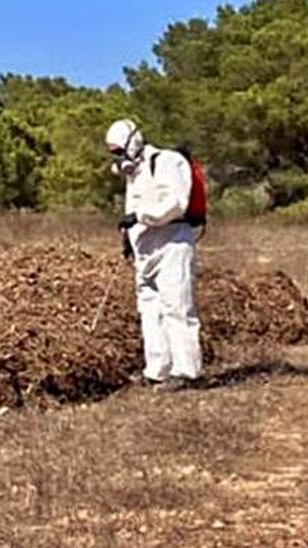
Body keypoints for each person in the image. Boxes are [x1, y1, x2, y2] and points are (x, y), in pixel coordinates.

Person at [106, 119, 203, 391]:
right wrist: (129, 238)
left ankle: (187, 371)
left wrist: (139, 216)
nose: (117, 157)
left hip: (172, 245)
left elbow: (175, 203)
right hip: (145, 252)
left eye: (118, 151)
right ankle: (157, 370)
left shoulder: (167, 162)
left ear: (132, 143)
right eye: (112, 152)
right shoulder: (134, 173)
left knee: (177, 307)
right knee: (150, 311)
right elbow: (135, 206)